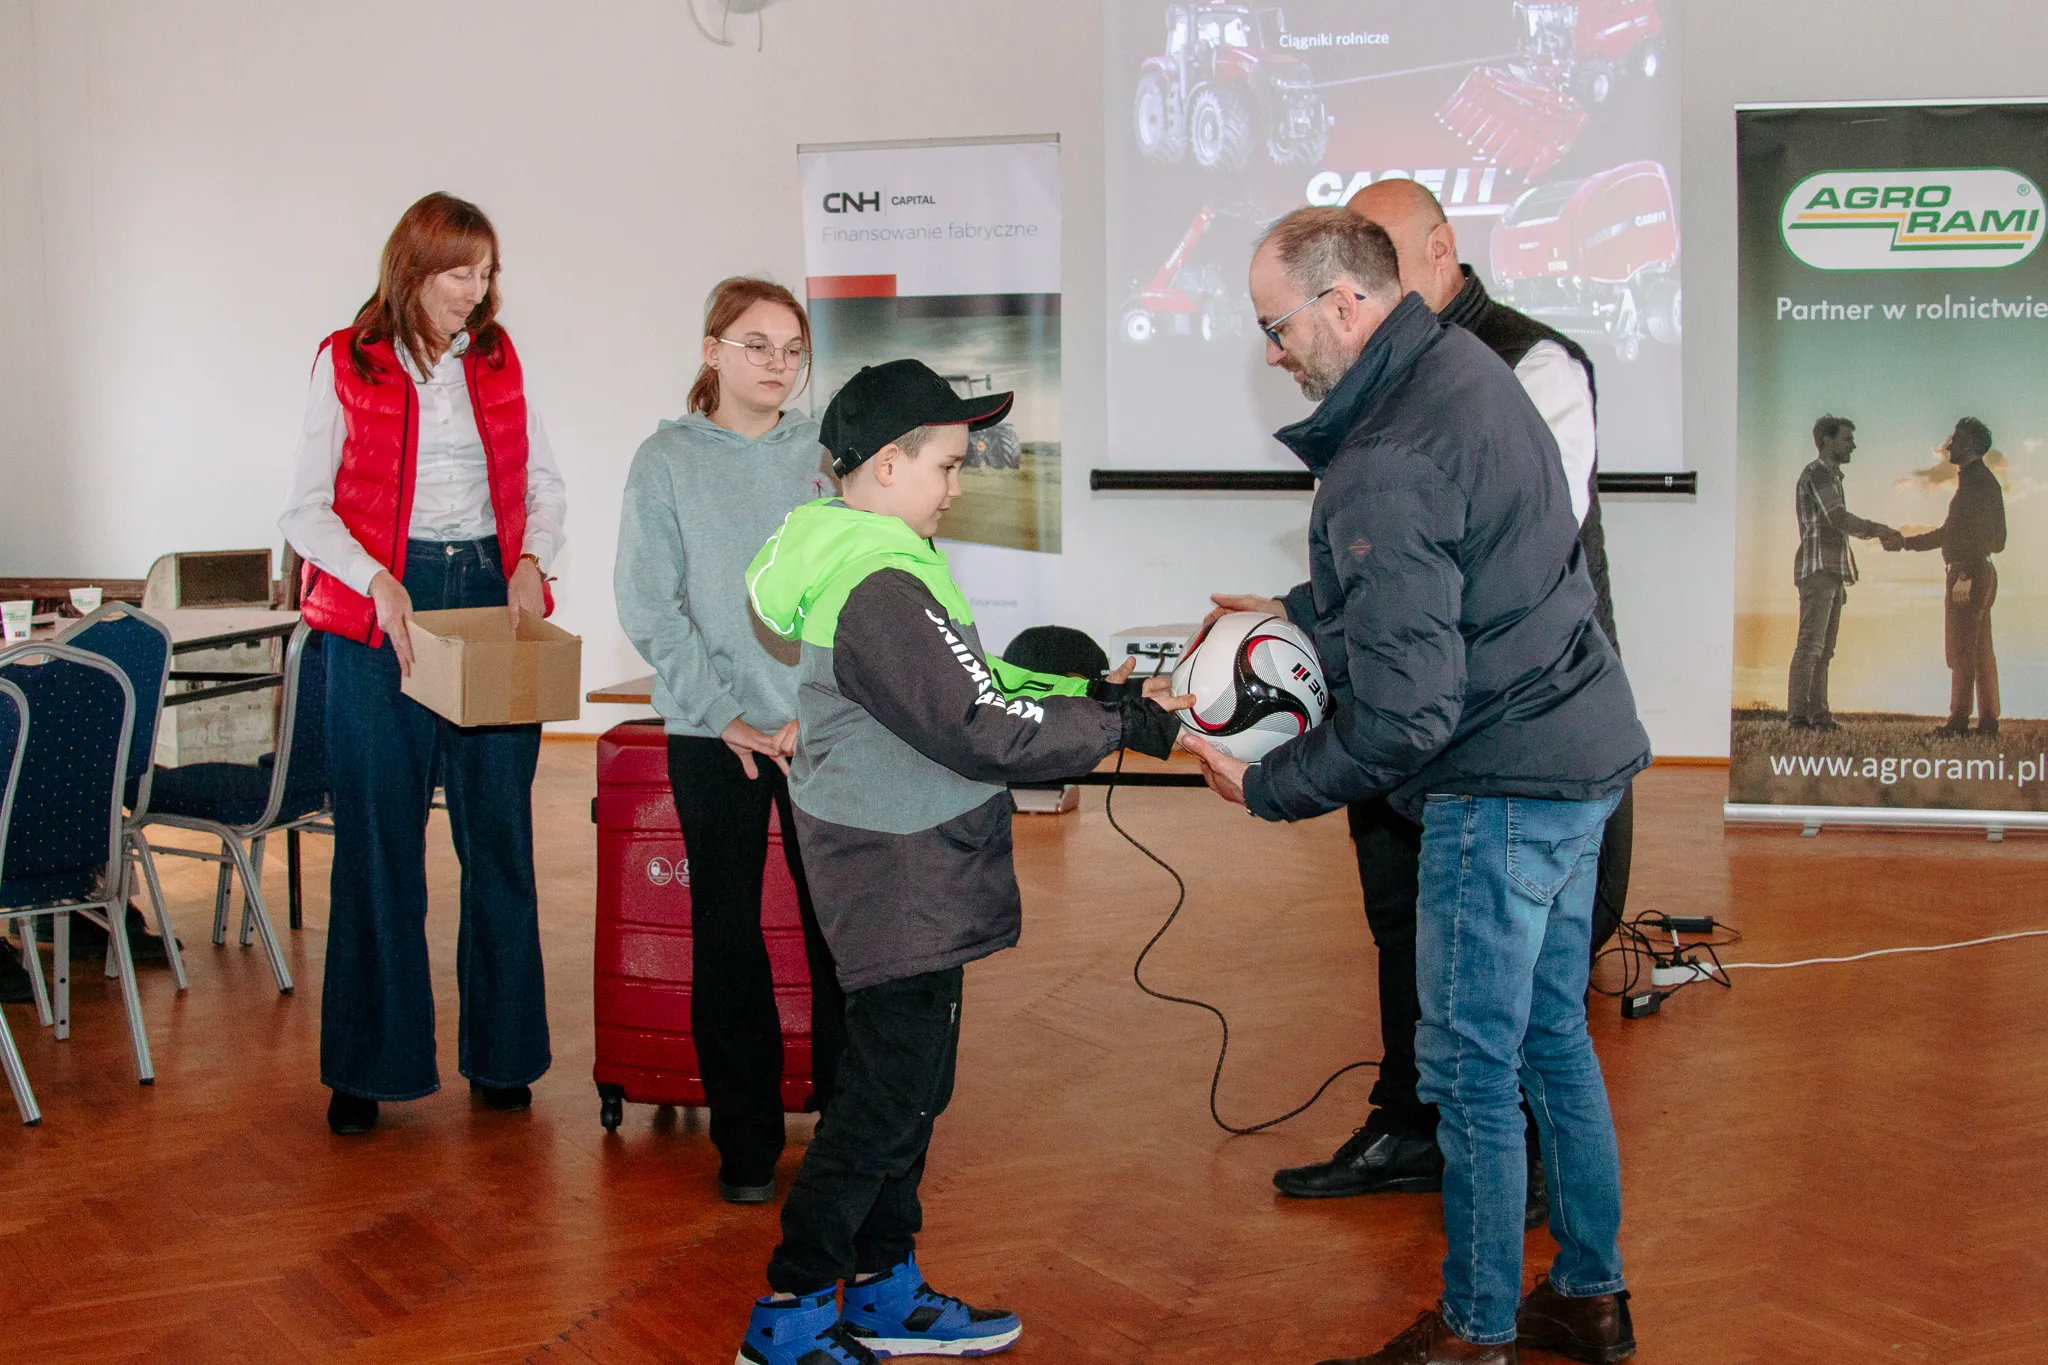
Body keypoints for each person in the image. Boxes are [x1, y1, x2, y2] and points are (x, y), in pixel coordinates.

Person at [1183, 207, 1649, 1365]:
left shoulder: (1382, 456)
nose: (1271, 353)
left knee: (1469, 1068)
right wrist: (1298, 613)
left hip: (1500, 784)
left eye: (1275, 327)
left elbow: (1408, 715)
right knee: (1550, 1036)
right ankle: (1587, 1297)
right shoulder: (1465, 368)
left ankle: (1475, 1330)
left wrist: (1267, 784)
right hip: (1577, 749)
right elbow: (1467, 571)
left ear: (1343, 304)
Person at [732, 360, 1187, 1365]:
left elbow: (972, 679)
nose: (956, 483)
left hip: (903, 865)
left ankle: (883, 1288)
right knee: (882, 1104)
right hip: (897, 874)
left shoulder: (875, 559)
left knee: (908, 1094)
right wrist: (1118, 725)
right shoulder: (878, 583)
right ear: (887, 465)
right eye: (945, 464)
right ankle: (789, 1317)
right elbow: (979, 724)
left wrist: (1086, 692)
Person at [280, 192, 567, 1137]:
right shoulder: (345, 359)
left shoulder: (499, 358)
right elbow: (305, 508)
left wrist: (532, 560)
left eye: (485, 273)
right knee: (378, 840)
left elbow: (543, 483)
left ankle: (504, 1057)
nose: (475, 291)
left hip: (486, 586)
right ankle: (371, 1065)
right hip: (380, 612)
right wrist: (375, 579)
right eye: (458, 273)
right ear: (412, 269)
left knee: (500, 835)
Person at [613, 276, 846, 1204]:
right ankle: (746, 1146)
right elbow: (649, 605)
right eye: (758, 345)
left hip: (817, 729)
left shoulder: (824, 456)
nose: (779, 364)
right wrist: (725, 716)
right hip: (715, 734)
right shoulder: (665, 460)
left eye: (793, 349)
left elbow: (854, 585)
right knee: (727, 936)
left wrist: (818, 706)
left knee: (839, 935)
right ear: (712, 351)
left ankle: (847, 1133)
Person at [1898, 417, 2006, 738]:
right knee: (1980, 650)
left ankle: (1958, 722)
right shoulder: (1977, 483)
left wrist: (1965, 574)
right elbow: (1951, 534)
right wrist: (1905, 543)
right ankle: (1987, 724)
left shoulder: (1978, 484)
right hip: (1976, 572)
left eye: (1955, 440)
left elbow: (1991, 539)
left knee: (1962, 650)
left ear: (1971, 444)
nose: (1948, 446)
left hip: (1969, 573)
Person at [1787, 415, 1896, 732]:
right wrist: (1879, 530)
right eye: (1847, 439)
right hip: (1818, 570)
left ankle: (1819, 717)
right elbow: (1837, 518)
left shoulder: (1831, 476)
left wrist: (1840, 579)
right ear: (1827, 440)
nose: (1853, 445)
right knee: (1811, 647)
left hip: (1829, 573)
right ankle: (1798, 718)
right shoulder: (1818, 473)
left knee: (1824, 650)